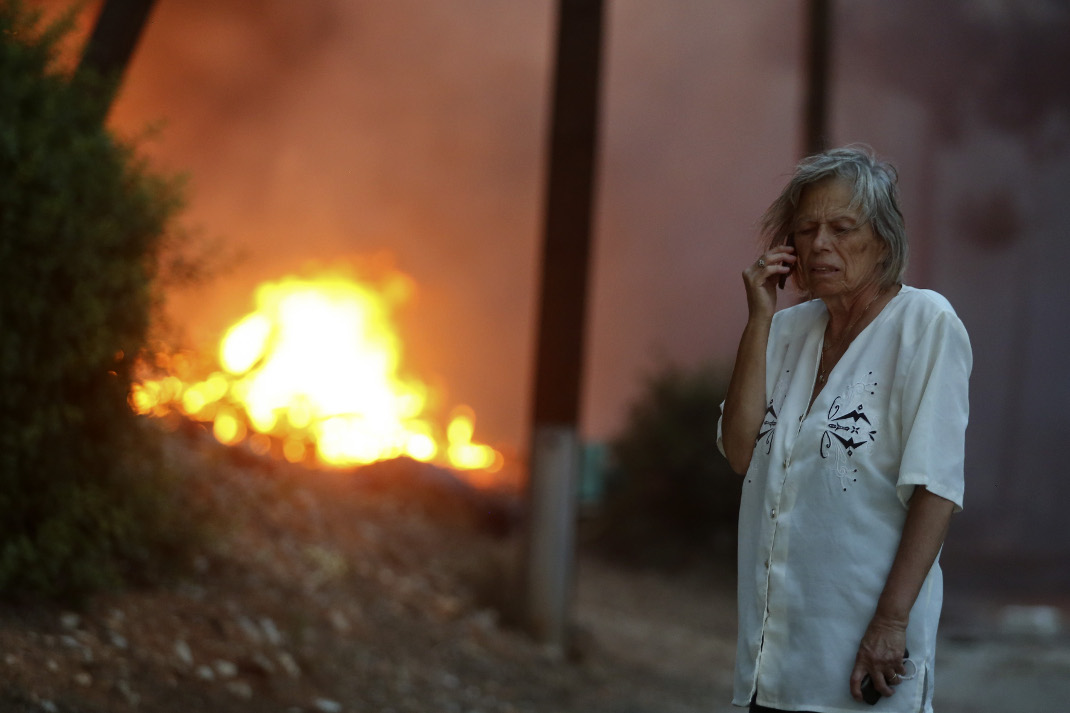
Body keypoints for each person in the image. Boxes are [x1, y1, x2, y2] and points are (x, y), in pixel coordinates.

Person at [717, 145, 971, 712]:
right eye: (806, 230)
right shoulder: (783, 331)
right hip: (773, 656)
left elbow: (936, 488)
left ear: (883, 239)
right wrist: (757, 319)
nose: (820, 244)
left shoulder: (925, 324)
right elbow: (739, 453)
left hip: (865, 653)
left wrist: (891, 622)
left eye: (842, 227)